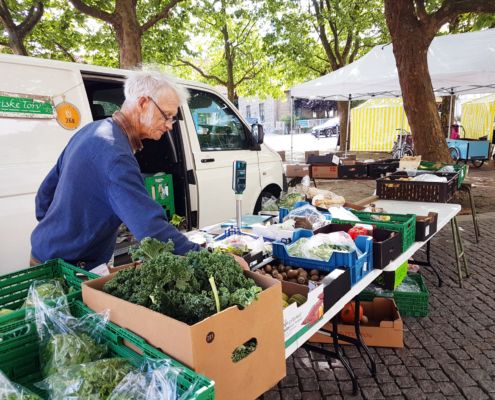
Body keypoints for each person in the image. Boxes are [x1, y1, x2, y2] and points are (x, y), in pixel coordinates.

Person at [30, 70, 201, 270]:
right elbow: (150, 228)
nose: (169, 125)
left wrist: (58, 232)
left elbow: (44, 196)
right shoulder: (116, 155)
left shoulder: (91, 130)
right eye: (167, 115)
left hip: (43, 255)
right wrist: (206, 258)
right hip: (67, 269)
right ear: (143, 103)